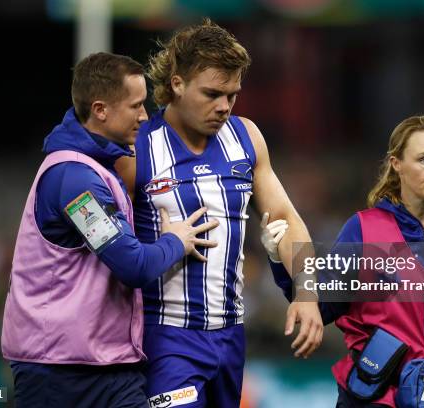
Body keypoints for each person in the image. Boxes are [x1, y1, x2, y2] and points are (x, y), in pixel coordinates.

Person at [115, 19, 323, 408]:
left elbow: (285, 218)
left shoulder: (246, 138)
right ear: (176, 84)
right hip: (166, 338)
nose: (224, 106)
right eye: (212, 93)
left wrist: (307, 293)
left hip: (231, 337)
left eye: (232, 94)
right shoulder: (137, 148)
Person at [1, 52, 219, 407]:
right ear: (100, 110)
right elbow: (133, 266)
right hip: (57, 373)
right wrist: (175, 240)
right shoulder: (73, 180)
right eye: (135, 105)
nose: (144, 115)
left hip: (111, 366)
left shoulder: (98, 170)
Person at [271, 115, 424, 407]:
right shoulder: (363, 229)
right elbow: (320, 307)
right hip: (370, 396)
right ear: (396, 163)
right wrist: (279, 259)